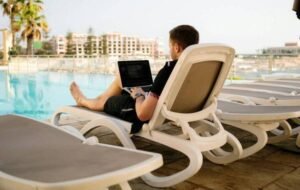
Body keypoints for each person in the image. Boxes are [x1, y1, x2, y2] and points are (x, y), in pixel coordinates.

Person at [70, 25, 199, 133]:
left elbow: (143, 114)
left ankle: (85, 101)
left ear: (177, 47)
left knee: (110, 101)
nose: (170, 49)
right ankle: (98, 99)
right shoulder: (197, 69)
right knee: (121, 78)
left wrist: (139, 96)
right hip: (169, 108)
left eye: (170, 46)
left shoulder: (167, 71)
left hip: (142, 113)